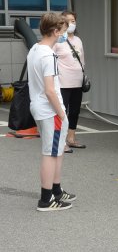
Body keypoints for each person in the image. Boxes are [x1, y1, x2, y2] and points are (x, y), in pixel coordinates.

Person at [28, 12, 76, 211]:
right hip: (51, 111)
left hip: (41, 108)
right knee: (50, 153)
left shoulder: (35, 49)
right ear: (55, 31)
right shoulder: (49, 55)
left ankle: (56, 191)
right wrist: (62, 114)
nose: (64, 35)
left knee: (55, 152)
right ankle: (46, 200)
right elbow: (50, 90)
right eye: (63, 31)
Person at [53, 10, 86, 153]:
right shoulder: (58, 40)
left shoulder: (78, 40)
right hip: (63, 82)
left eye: (74, 20)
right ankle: (60, 141)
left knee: (75, 111)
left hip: (77, 82)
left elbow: (82, 60)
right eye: (70, 21)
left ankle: (71, 138)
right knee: (62, 112)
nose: (73, 23)